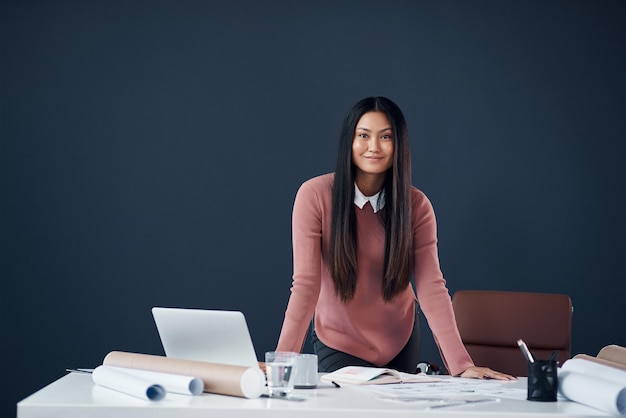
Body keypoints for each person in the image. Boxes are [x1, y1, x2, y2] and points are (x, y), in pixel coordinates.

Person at [275, 96, 514, 380]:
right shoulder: (314, 196)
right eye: (363, 135)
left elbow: (431, 287)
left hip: (400, 340)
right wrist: (282, 362)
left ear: (399, 144)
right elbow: (305, 285)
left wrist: (461, 365)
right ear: (349, 141)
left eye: (385, 137)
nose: (374, 147)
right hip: (339, 342)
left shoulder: (416, 205)